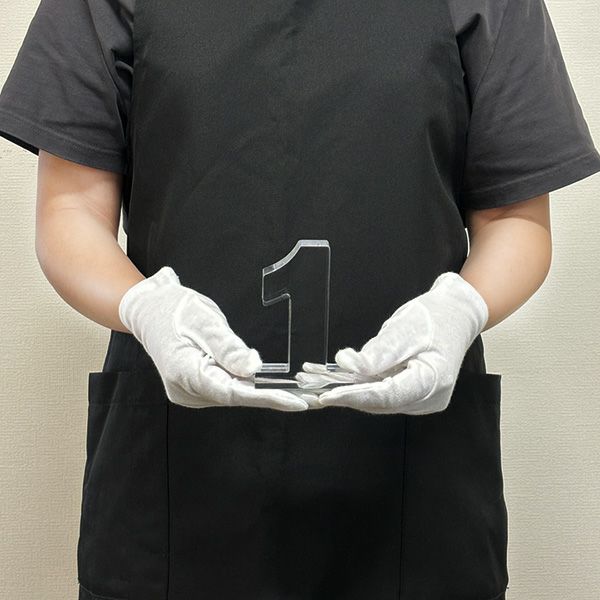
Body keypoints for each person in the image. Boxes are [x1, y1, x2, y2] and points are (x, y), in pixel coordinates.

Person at [1, 0, 599, 598]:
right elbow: (71, 209)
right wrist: (143, 306)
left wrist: (461, 309)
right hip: (177, 477)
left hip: (413, 490)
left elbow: (513, 219)